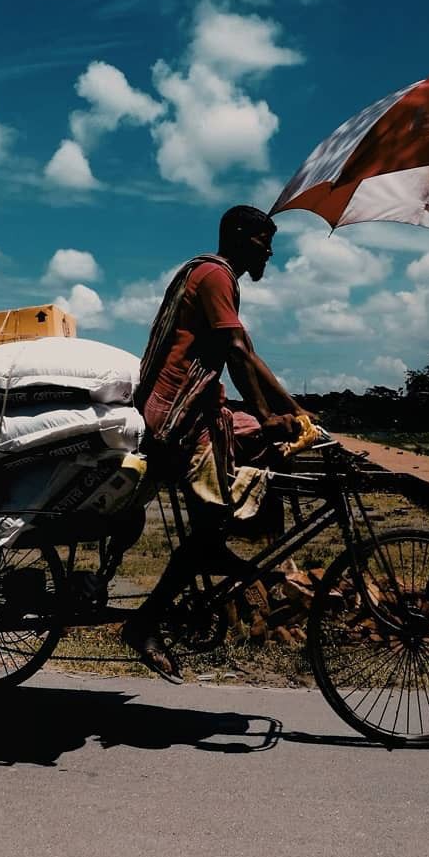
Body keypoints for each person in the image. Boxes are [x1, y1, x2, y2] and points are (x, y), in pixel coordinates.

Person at [123, 205, 304, 680]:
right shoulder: (215, 276)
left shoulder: (217, 277)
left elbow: (248, 352)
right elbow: (237, 352)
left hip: (197, 409)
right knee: (213, 516)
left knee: (249, 454)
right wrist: (269, 413)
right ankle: (145, 623)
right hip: (179, 416)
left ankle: (215, 546)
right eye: (265, 240)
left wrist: (298, 412)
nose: (269, 251)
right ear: (242, 236)